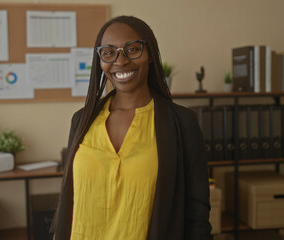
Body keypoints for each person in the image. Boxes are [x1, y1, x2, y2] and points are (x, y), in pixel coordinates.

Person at [52, 15, 211, 240]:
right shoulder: (82, 121)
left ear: (150, 55)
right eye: (109, 52)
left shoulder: (182, 123)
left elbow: (197, 214)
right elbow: (67, 200)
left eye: (132, 49)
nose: (120, 60)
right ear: (100, 60)